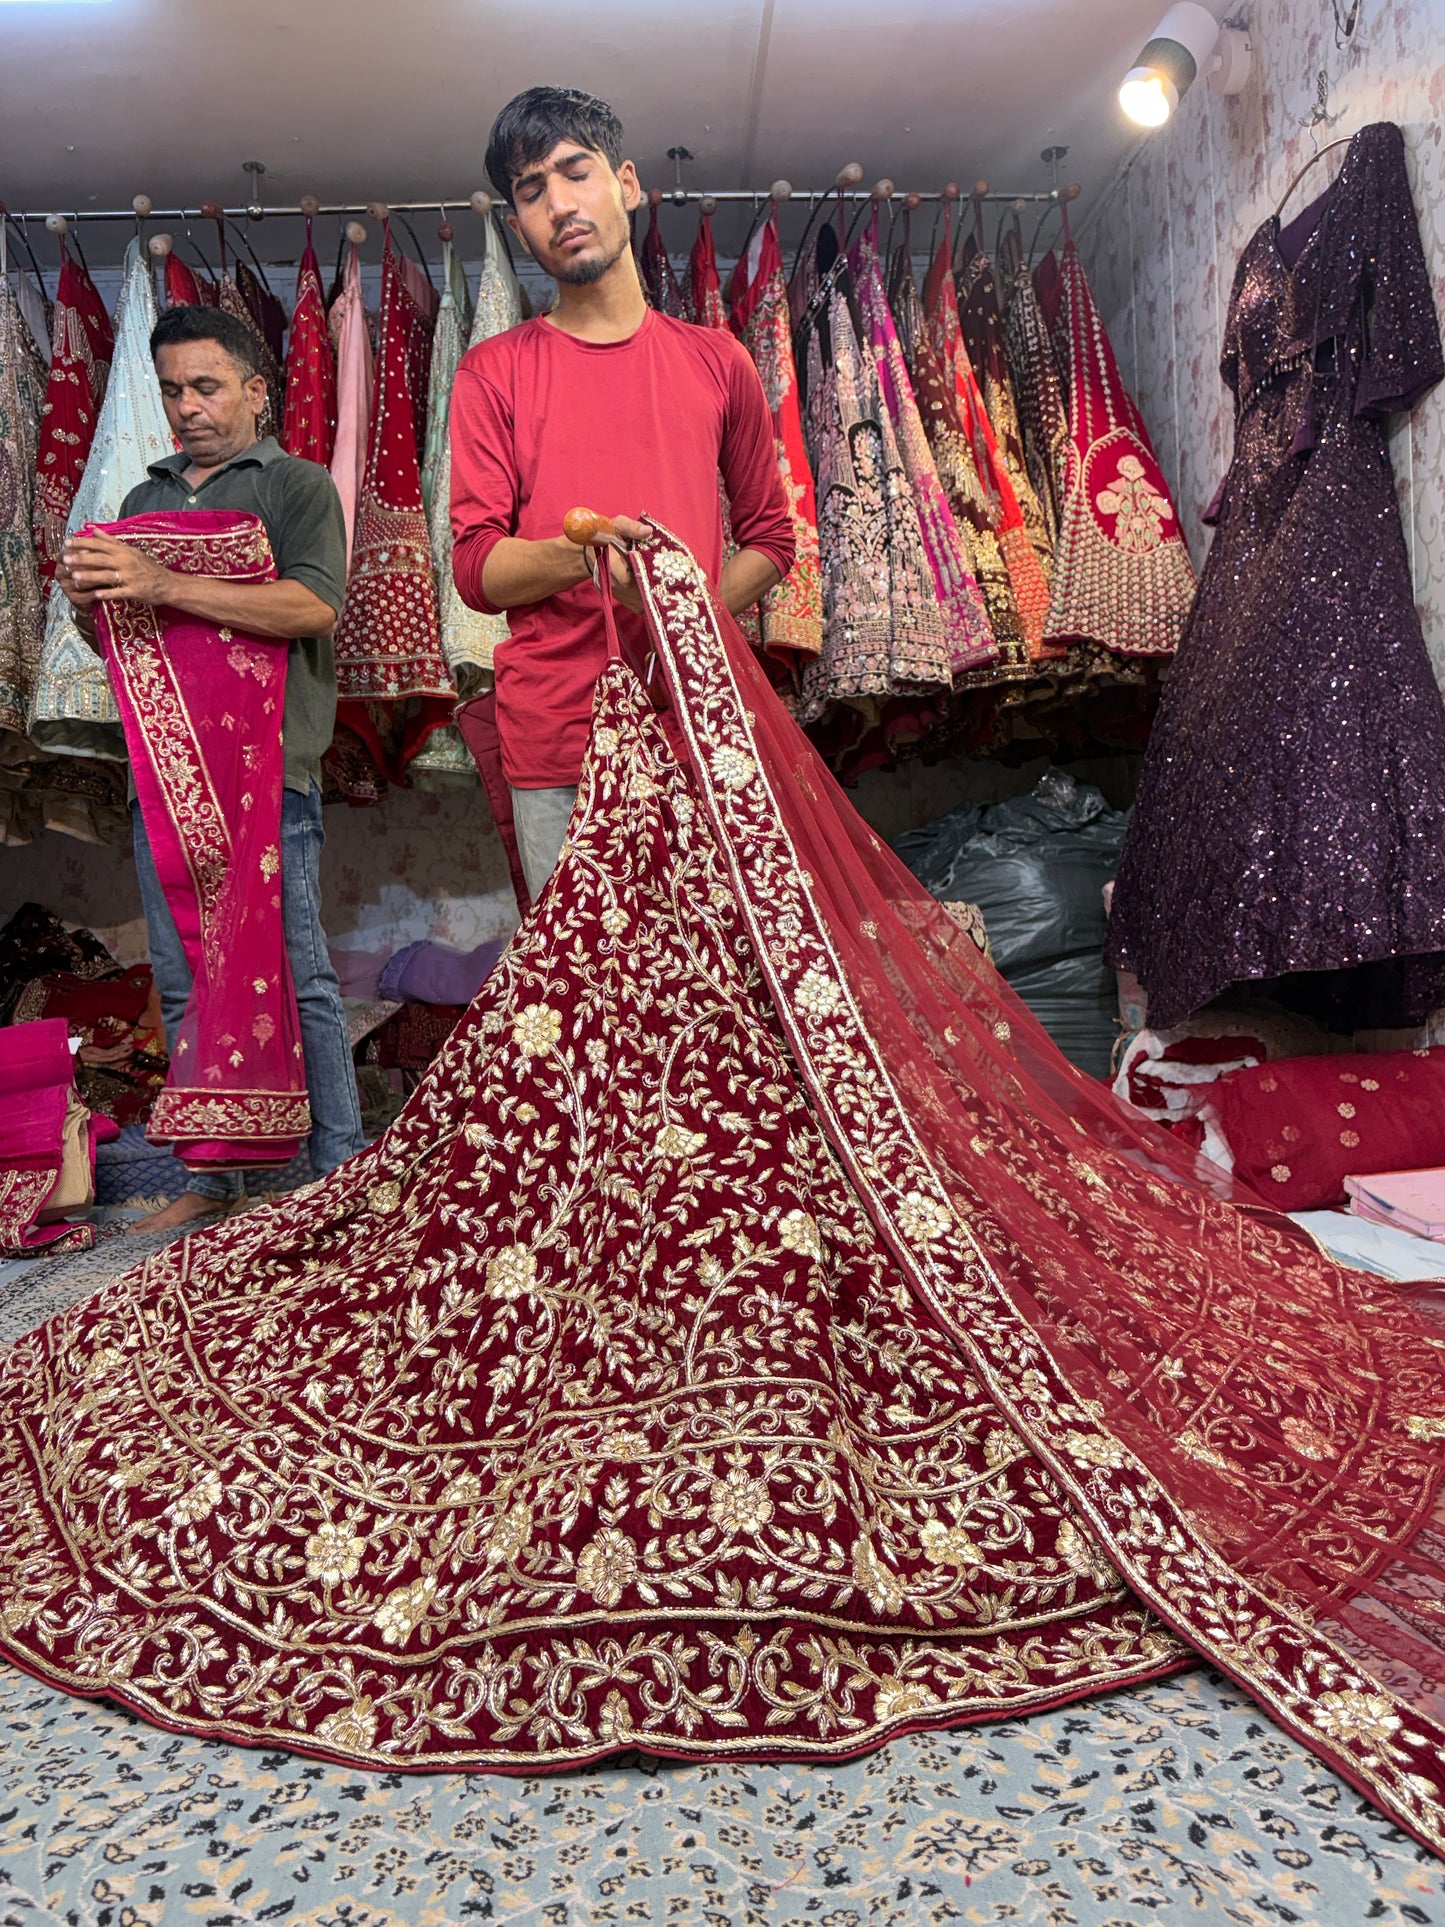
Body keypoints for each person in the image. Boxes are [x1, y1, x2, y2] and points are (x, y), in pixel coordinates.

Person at [55, 304, 364, 1232]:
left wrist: (164, 583)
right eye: (172, 390)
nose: (187, 406)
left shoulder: (296, 486)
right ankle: (214, 1182)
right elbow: (132, 645)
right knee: (186, 972)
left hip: (272, 772)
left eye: (207, 386)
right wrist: (94, 604)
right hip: (167, 772)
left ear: (255, 391)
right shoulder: (141, 501)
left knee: (297, 970)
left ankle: (339, 1174)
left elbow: (312, 607)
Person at [450, 85, 796, 899]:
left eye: (576, 173)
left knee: (718, 966)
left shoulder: (719, 361)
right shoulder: (492, 371)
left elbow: (772, 539)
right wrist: (583, 557)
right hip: (557, 740)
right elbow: (475, 567)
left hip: (697, 722)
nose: (559, 205)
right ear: (517, 225)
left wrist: (680, 612)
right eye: (531, 191)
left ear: (628, 183)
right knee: (583, 973)